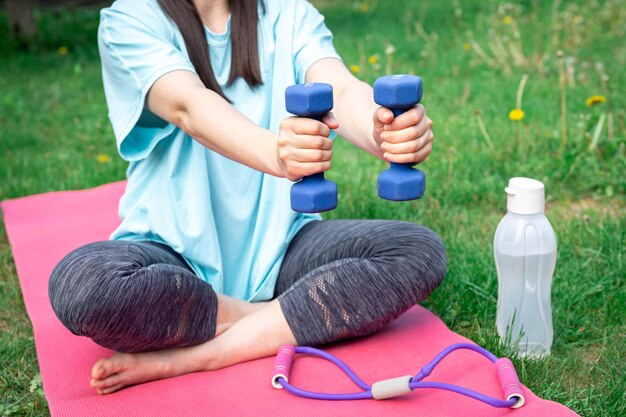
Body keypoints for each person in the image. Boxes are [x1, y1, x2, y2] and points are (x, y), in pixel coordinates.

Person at [48, 0, 446, 395]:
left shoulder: (287, 13)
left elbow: (340, 88)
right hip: (172, 255)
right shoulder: (130, 19)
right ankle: (281, 317)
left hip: (285, 249)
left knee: (417, 251)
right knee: (84, 287)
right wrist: (276, 153)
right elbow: (188, 105)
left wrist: (386, 131)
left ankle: (208, 352)